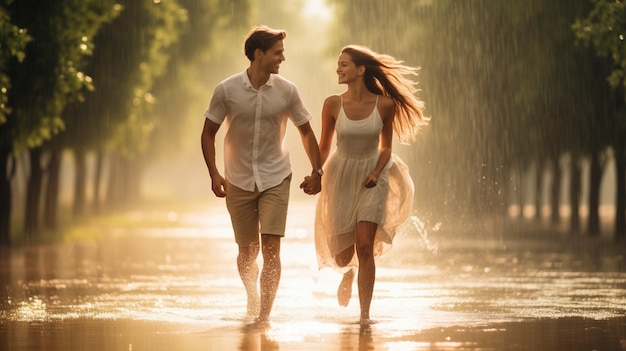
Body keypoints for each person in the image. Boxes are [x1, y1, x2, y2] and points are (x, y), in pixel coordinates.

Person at [201, 25, 323, 324]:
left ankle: (264, 316)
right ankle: (252, 298)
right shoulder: (227, 90)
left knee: (271, 246)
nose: (283, 57)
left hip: (276, 177)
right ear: (259, 54)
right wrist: (214, 173)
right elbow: (208, 134)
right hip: (237, 178)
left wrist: (317, 170)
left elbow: (306, 132)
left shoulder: (287, 91)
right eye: (277, 52)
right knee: (247, 251)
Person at [310, 45, 427, 324]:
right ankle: (348, 273)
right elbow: (324, 147)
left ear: (361, 70)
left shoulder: (385, 105)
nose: (338, 69)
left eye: (344, 65)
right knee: (343, 255)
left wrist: (376, 172)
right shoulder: (332, 104)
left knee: (364, 246)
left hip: (374, 176)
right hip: (340, 174)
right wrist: (315, 172)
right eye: (338, 65)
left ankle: (364, 316)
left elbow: (386, 148)